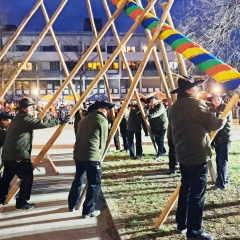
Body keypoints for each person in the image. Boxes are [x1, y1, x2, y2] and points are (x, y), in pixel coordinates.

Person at [168, 76, 226, 240]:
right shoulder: (195, 104)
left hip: (182, 153)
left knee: (185, 189)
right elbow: (213, 124)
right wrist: (221, 111)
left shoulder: (175, 106)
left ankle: (182, 223)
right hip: (197, 154)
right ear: (189, 90)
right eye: (196, 88)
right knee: (197, 194)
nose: (199, 90)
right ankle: (195, 232)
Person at [0, 98, 69, 210]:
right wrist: (60, 120)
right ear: (24, 109)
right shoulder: (24, 120)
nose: (33, 109)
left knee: (6, 177)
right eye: (30, 107)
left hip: (10, 154)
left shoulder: (19, 118)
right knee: (27, 177)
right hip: (19, 154)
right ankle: (22, 202)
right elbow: (41, 124)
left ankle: (1, 197)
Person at [68, 100, 115, 218]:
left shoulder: (84, 119)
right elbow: (103, 141)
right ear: (102, 109)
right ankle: (88, 210)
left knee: (78, 179)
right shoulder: (102, 120)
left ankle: (72, 204)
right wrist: (101, 156)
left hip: (79, 154)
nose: (108, 112)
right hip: (92, 156)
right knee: (94, 183)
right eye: (107, 110)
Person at [209, 93, 232, 190]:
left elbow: (219, 117)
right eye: (214, 99)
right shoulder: (211, 109)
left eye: (218, 98)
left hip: (224, 138)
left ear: (221, 99)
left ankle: (221, 184)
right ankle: (224, 178)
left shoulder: (225, 107)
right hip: (217, 139)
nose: (216, 100)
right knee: (219, 160)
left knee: (222, 161)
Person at [147, 96, 168, 160]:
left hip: (162, 126)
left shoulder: (160, 106)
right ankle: (163, 151)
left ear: (156, 101)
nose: (152, 102)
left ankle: (160, 154)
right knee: (157, 140)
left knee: (160, 140)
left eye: (153, 101)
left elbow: (157, 113)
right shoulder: (151, 109)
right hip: (155, 127)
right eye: (151, 101)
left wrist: (149, 116)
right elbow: (151, 120)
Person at [0, 112, 13, 179]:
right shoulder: (1, 130)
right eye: (8, 120)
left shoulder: (5, 128)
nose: (10, 122)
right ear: (2, 120)